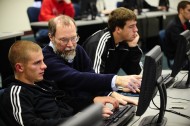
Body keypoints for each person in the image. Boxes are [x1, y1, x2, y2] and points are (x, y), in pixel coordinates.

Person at [2, 40, 120, 126]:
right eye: (37, 63)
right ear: (19, 68)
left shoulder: (44, 83)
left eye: (43, 60)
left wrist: (92, 104)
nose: (44, 66)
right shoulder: (16, 92)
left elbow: (67, 101)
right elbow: (31, 124)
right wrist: (77, 119)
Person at [42, 14, 141, 106]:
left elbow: (91, 74)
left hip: (81, 104)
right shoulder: (45, 58)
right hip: (63, 111)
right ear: (51, 37)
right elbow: (75, 79)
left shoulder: (78, 49)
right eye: (64, 40)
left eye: (73, 38)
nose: (71, 45)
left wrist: (110, 93)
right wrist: (116, 80)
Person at [82, 7, 142, 75]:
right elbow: (94, 79)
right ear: (118, 29)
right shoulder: (100, 42)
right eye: (131, 27)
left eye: (135, 25)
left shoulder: (123, 42)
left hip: (107, 84)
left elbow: (136, 74)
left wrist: (133, 47)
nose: (136, 30)